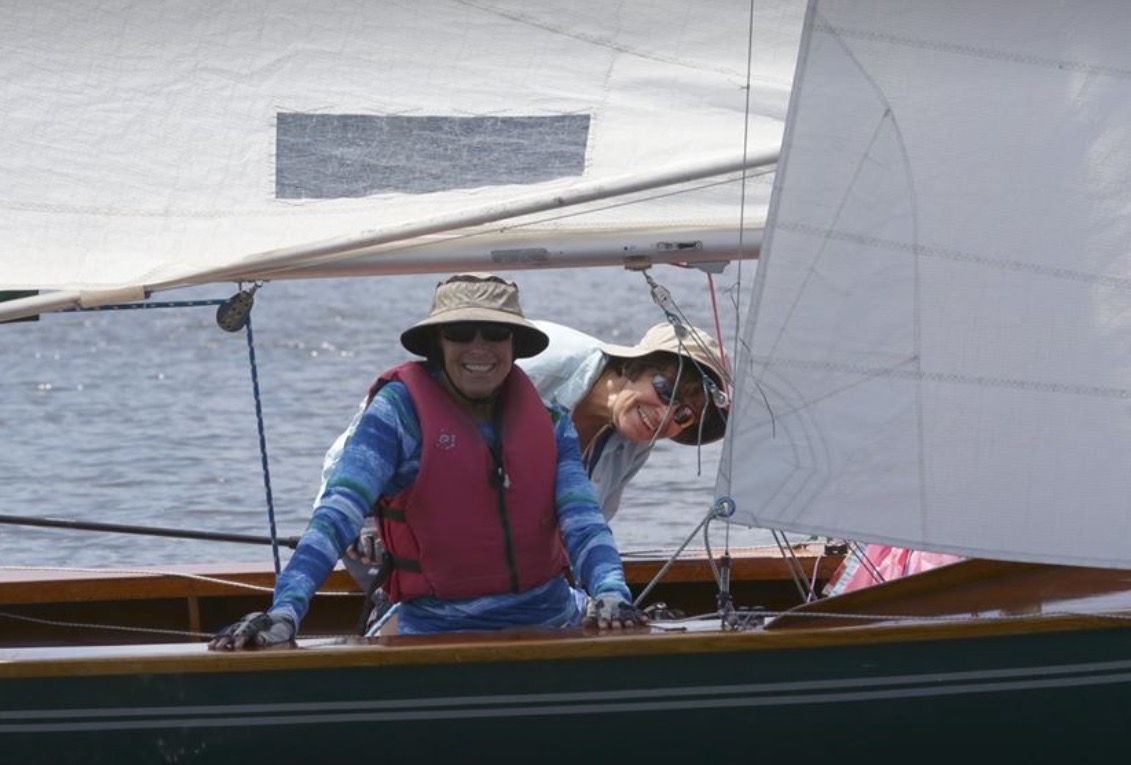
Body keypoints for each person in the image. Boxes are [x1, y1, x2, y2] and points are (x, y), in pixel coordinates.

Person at [209, 273, 646, 650]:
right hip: (434, 629)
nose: (480, 347)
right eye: (460, 332)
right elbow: (338, 512)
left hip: (551, 620)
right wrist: (286, 609)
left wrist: (610, 591)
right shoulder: (398, 413)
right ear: (437, 343)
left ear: (514, 344)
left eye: (495, 334)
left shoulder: (552, 424)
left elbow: (583, 520)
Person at [342, 318, 731, 618]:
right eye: (665, 389)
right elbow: (371, 435)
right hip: (390, 536)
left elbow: (585, 528)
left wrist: (601, 598)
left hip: (499, 564)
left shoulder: (635, 437)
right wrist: (362, 522)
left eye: (684, 415)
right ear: (632, 367)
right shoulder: (539, 364)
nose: (666, 416)